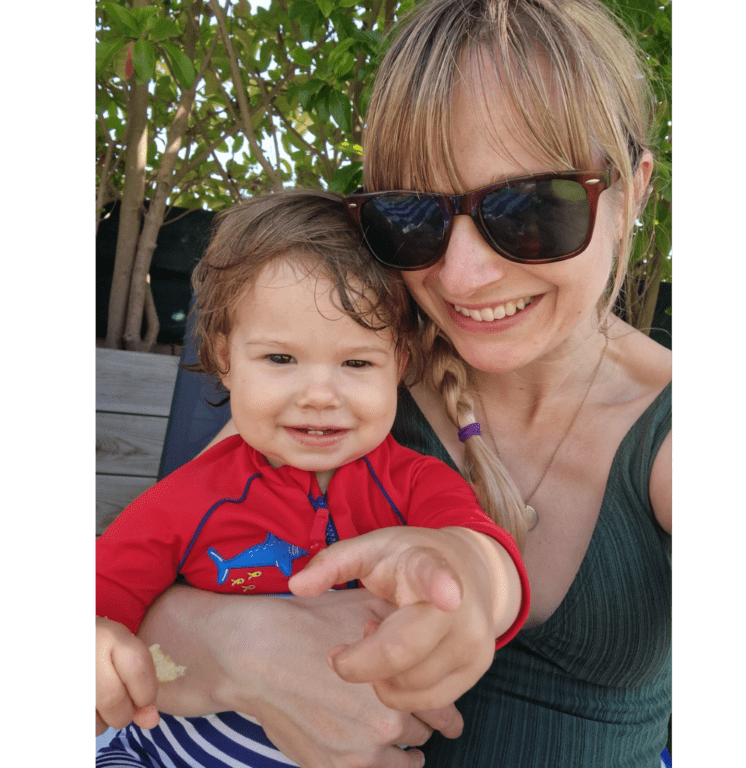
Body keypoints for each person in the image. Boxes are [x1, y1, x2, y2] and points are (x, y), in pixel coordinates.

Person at [107, 0, 672, 766]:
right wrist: (242, 645)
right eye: (413, 216)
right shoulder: (345, 378)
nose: (464, 275)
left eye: (534, 207)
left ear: (633, 192)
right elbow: (169, 552)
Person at [95, 188, 530, 767]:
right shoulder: (188, 498)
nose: (319, 396)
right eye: (280, 359)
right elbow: (109, 590)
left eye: (355, 363)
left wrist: (465, 577)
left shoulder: (417, 483)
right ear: (225, 357)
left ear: (398, 365)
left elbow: (483, 552)